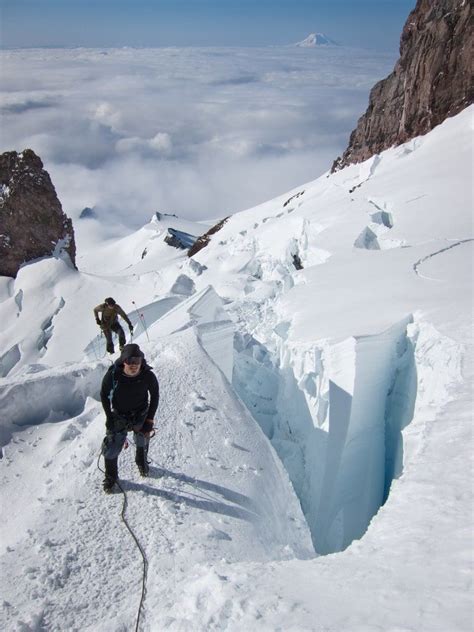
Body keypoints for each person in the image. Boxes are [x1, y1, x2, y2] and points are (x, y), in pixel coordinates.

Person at [100, 343, 159, 493]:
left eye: (137, 362)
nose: (133, 365)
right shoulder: (114, 375)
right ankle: (111, 476)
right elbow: (104, 395)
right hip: (119, 415)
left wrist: (149, 420)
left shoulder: (147, 375)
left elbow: (155, 396)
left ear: (141, 362)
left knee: (142, 438)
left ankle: (141, 460)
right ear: (123, 361)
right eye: (130, 362)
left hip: (141, 413)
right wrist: (109, 417)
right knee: (112, 446)